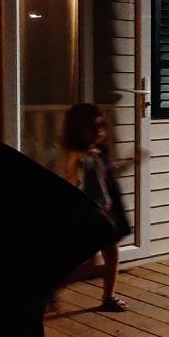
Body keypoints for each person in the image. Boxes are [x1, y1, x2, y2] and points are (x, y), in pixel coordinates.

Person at [60, 103, 133, 312]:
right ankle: (50, 291)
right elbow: (74, 184)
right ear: (77, 131)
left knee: (111, 252)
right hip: (91, 216)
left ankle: (108, 296)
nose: (98, 132)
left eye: (101, 127)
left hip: (105, 214)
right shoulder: (78, 157)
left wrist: (130, 161)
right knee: (86, 261)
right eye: (91, 128)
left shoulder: (98, 153)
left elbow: (109, 175)